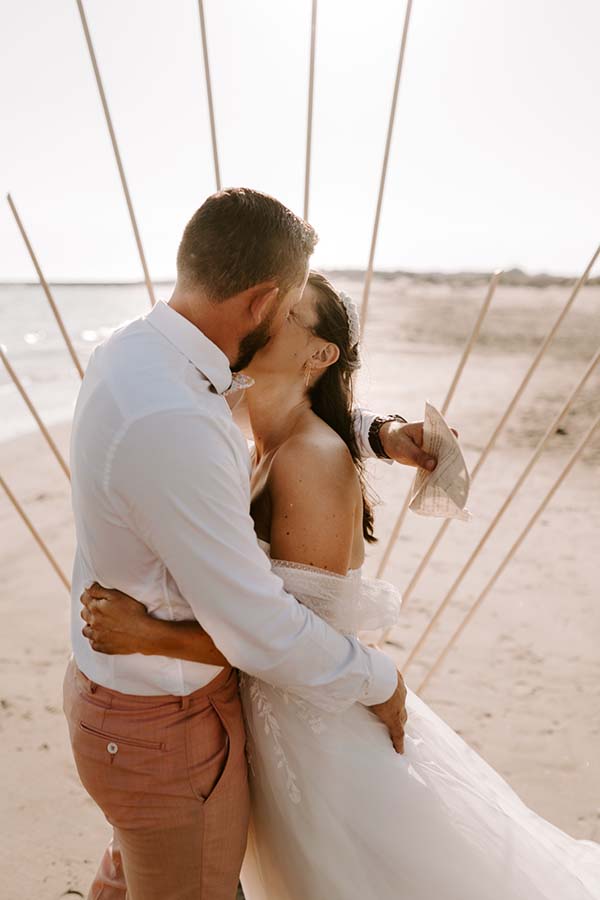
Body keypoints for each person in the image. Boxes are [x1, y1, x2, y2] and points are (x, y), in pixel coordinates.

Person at [82, 272, 600, 899]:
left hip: (316, 738)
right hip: (270, 727)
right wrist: (380, 431)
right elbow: (286, 410)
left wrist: (153, 635)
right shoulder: (248, 425)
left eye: (288, 310)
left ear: (320, 353)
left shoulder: (310, 460)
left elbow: (292, 635)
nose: (265, 310)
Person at [64, 188, 435, 900]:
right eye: (292, 299)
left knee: (134, 870)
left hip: (138, 705)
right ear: (262, 303)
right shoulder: (183, 420)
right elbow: (262, 629)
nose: (290, 313)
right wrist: (381, 680)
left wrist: (378, 433)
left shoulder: (134, 351)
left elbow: (284, 419)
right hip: (162, 726)